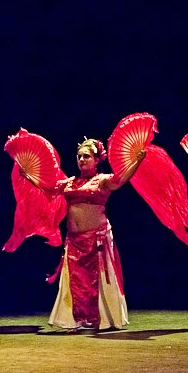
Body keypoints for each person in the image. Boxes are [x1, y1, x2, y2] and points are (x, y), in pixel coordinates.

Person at [21, 138, 145, 330]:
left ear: (96, 160)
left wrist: (137, 161)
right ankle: (77, 319)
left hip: (97, 238)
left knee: (99, 281)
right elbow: (49, 189)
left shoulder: (102, 180)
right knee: (76, 282)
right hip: (74, 241)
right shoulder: (70, 182)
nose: (81, 160)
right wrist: (28, 175)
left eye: (86, 156)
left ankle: (103, 319)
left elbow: (121, 180)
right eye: (79, 156)